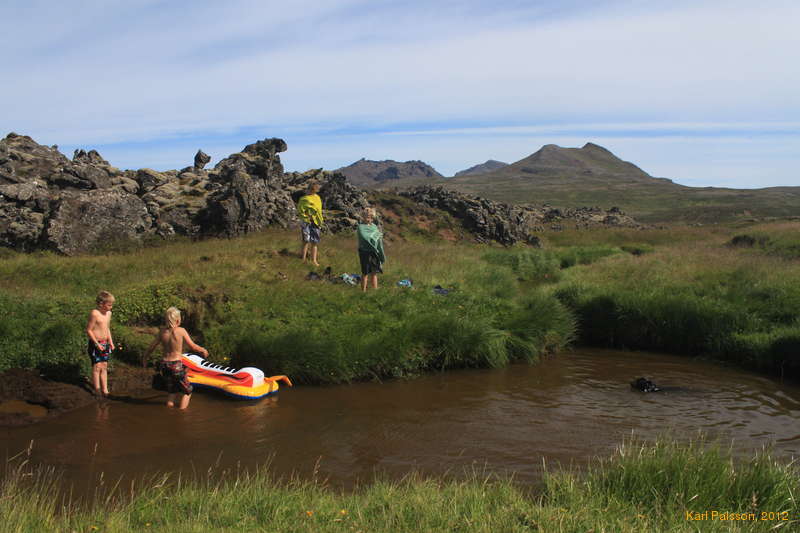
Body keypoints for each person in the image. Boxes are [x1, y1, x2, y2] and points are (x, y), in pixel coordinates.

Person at [143, 307, 208, 409]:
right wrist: (202, 350)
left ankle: (169, 411)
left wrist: (145, 358)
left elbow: (152, 347)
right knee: (188, 391)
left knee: (172, 390)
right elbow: (193, 346)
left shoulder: (162, 332)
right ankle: (181, 414)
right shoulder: (181, 331)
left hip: (164, 365)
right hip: (176, 366)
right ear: (178, 320)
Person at [86, 291, 115, 397]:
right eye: (109, 305)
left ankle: (105, 390)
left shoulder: (109, 314)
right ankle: (97, 390)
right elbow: (89, 330)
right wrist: (96, 344)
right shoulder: (95, 313)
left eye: (111, 305)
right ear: (101, 304)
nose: (111, 307)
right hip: (95, 344)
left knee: (104, 366)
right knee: (97, 366)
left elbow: (107, 328)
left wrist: (111, 342)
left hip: (105, 343)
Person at [357, 207, 386, 292]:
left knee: (374, 272)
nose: (368, 218)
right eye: (366, 216)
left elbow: (378, 237)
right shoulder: (361, 227)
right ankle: (363, 291)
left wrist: (378, 237)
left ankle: (375, 290)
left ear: (373, 217)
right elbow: (365, 237)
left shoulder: (374, 226)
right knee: (365, 272)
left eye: (370, 216)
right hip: (364, 252)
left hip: (374, 252)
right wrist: (374, 237)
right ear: (363, 216)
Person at [297, 181, 323, 266]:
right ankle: (303, 259)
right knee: (306, 240)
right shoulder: (304, 199)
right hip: (306, 222)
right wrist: (306, 217)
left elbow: (318, 209)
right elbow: (300, 210)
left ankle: (314, 260)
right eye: (311, 189)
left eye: (314, 189)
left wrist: (318, 220)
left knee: (315, 241)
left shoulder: (317, 198)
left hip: (316, 222)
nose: (312, 190)